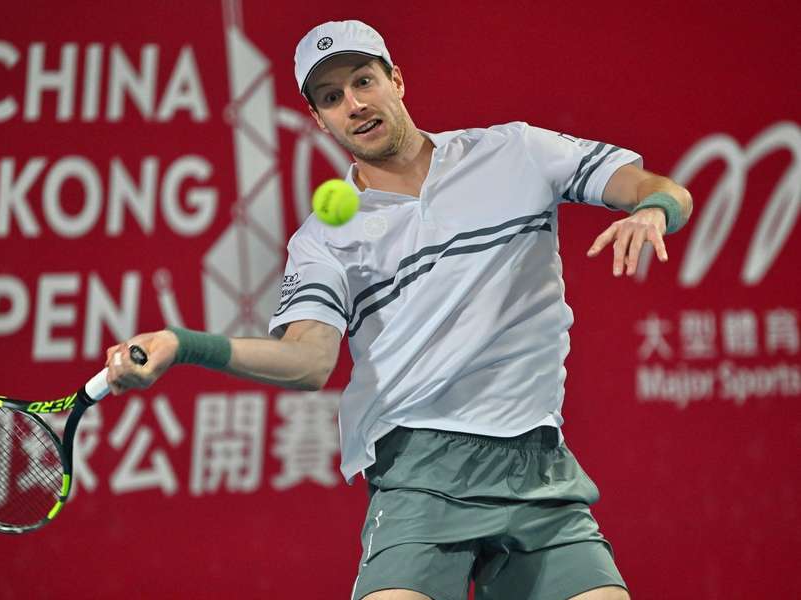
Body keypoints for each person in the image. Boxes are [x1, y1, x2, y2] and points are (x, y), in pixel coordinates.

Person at [106, 20, 692, 600]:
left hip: (537, 469)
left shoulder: (517, 151)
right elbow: (307, 360)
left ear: (398, 80)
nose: (354, 105)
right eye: (332, 98)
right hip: (419, 476)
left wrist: (653, 210)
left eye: (364, 82)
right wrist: (183, 345)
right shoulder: (323, 241)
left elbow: (656, 187)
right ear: (318, 119)